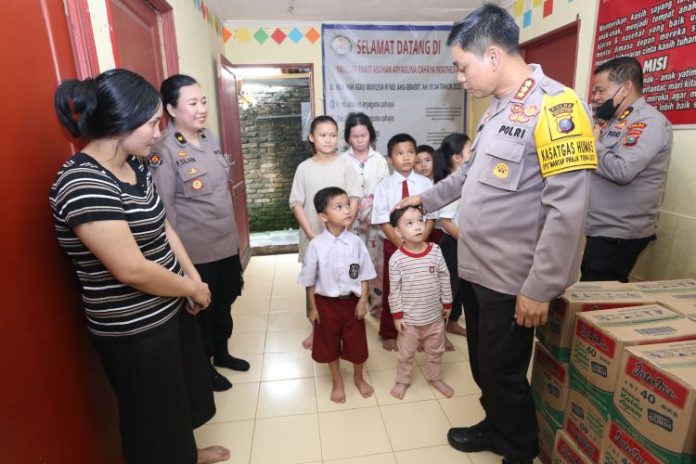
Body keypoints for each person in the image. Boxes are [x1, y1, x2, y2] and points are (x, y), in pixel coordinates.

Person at [398, 4, 597, 463]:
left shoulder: (557, 107)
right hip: (476, 270)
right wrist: (422, 200)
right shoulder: (495, 112)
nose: (461, 78)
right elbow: (465, 180)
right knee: (484, 366)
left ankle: (518, 448)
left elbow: (567, 212)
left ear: (491, 55)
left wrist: (540, 288)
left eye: (462, 67)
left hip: (513, 281)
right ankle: (495, 426)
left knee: (504, 373)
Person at [50, 69, 230, 464]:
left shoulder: (135, 166)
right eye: (151, 123)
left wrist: (192, 278)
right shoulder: (82, 182)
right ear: (119, 125)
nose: (156, 133)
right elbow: (130, 269)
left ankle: (187, 453)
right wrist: (192, 289)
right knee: (151, 417)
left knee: (176, 399)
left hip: (169, 305)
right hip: (133, 328)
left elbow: (163, 224)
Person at [150, 74, 248, 393]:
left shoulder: (209, 138)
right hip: (197, 253)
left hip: (225, 244)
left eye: (203, 101)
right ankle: (204, 368)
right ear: (172, 109)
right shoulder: (163, 150)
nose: (201, 108)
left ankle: (222, 353)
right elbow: (165, 213)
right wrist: (178, 264)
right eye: (192, 103)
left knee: (226, 302)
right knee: (202, 314)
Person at [581, 56, 673, 283]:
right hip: (603, 229)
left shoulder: (650, 122)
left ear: (626, 88)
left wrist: (593, 145)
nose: (596, 97)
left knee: (597, 303)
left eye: (601, 90)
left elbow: (623, 170)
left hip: (617, 235)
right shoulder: (616, 120)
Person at [298, 187, 376, 403]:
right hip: (325, 305)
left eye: (347, 205)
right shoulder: (316, 246)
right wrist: (313, 308)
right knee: (329, 343)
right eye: (339, 207)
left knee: (357, 344)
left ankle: (358, 378)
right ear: (324, 216)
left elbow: (365, 275)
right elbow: (309, 281)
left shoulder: (356, 243)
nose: (347, 210)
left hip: (352, 304)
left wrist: (362, 301)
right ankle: (337, 380)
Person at [290, 115, 362, 349]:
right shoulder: (304, 168)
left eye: (333, 135)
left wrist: (345, 228)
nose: (328, 139)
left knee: (342, 280)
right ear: (312, 137)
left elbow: (354, 198)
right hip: (314, 238)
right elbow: (296, 203)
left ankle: (345, 329)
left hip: (343, 238)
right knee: (314, 281)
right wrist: (312, 235)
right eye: (323, 135)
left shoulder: (346, 165)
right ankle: (316, 329)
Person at [372, 133, 435, 351]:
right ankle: (389, 332)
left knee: (421, 290)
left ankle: (420, 333)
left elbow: (432, 216)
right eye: (399, 153)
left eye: (410, 152)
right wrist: (403, 247)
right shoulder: (384, 186)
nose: (406, 157)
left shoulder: (427, 183)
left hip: (422, 245)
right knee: (394, 289)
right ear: (390, 159)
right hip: (395, 246)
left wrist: (420, 243)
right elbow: (382, 220)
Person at [388, 205, 454, 400]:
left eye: (420, 221)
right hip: (409, 322)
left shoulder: (435, 250)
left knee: (436, 352)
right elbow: (394, 291)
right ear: (399, 232)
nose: (418, 227)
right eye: (410, 223)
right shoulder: (397, 260)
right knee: (405, 355)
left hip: (434, 317)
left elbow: (444, 277)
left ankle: (436, 378)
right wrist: (397, 315)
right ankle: (402, 380)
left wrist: (447, 303)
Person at [340, 112, 389, 319]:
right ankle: (352, 301)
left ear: (371, 135)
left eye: (364, 135)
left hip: (375, 221)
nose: (360, 140)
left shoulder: (379, 160)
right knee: (353, 262)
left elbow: (385, 190)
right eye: (355, 136)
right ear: (348, 138)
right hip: (350, 222)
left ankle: (376, 306)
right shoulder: (341, 160)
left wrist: (371, 208)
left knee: (376, 263)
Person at [433, 133, 472, 339]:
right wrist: (468, 242)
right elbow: (446, 221)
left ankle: (453, 323)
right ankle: (439, 333)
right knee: (448, 289)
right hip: (453, 243)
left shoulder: (468, 180)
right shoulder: (452, 183)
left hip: (463, 243)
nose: (474, 153)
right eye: (469, 150)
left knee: (461, 288)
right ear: (457, 157)